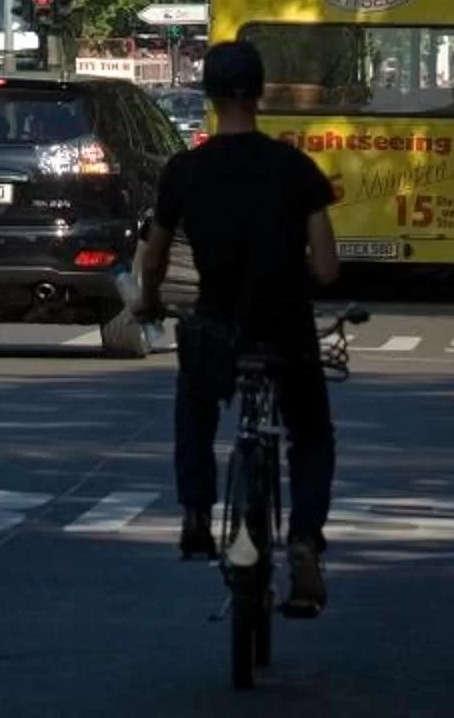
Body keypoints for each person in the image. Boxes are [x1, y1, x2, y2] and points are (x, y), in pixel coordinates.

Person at [134, 38, 340, 618]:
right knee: (312, 434)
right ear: (261, 92)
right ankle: (303, 537)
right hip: (286, 329)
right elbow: (326, 267)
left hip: (216, 326)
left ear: (208, 95)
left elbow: (153, 256)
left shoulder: (186, 170)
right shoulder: (294, 169)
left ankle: (197, 514)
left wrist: (147, 303)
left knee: (195, 409)